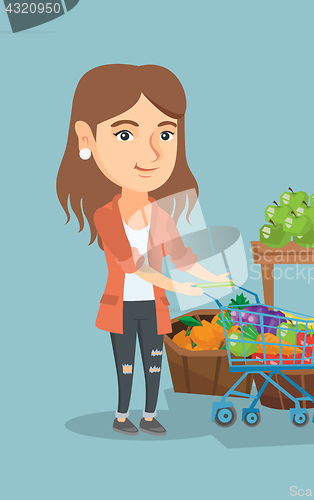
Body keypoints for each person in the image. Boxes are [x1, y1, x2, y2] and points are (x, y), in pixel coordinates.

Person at [57, 64, 229, 436]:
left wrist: (211, 277)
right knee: (125, 366)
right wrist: (179, 287)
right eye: (124, 134)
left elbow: (180, 255)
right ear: (86, 140)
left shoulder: (161, 213)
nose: (151, 154)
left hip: (155, 307)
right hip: (122, 307)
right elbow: (130, 264)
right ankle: (122, 417)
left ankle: (149, 416)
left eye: (165, 134)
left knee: (154, 363)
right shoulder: (106, 215)